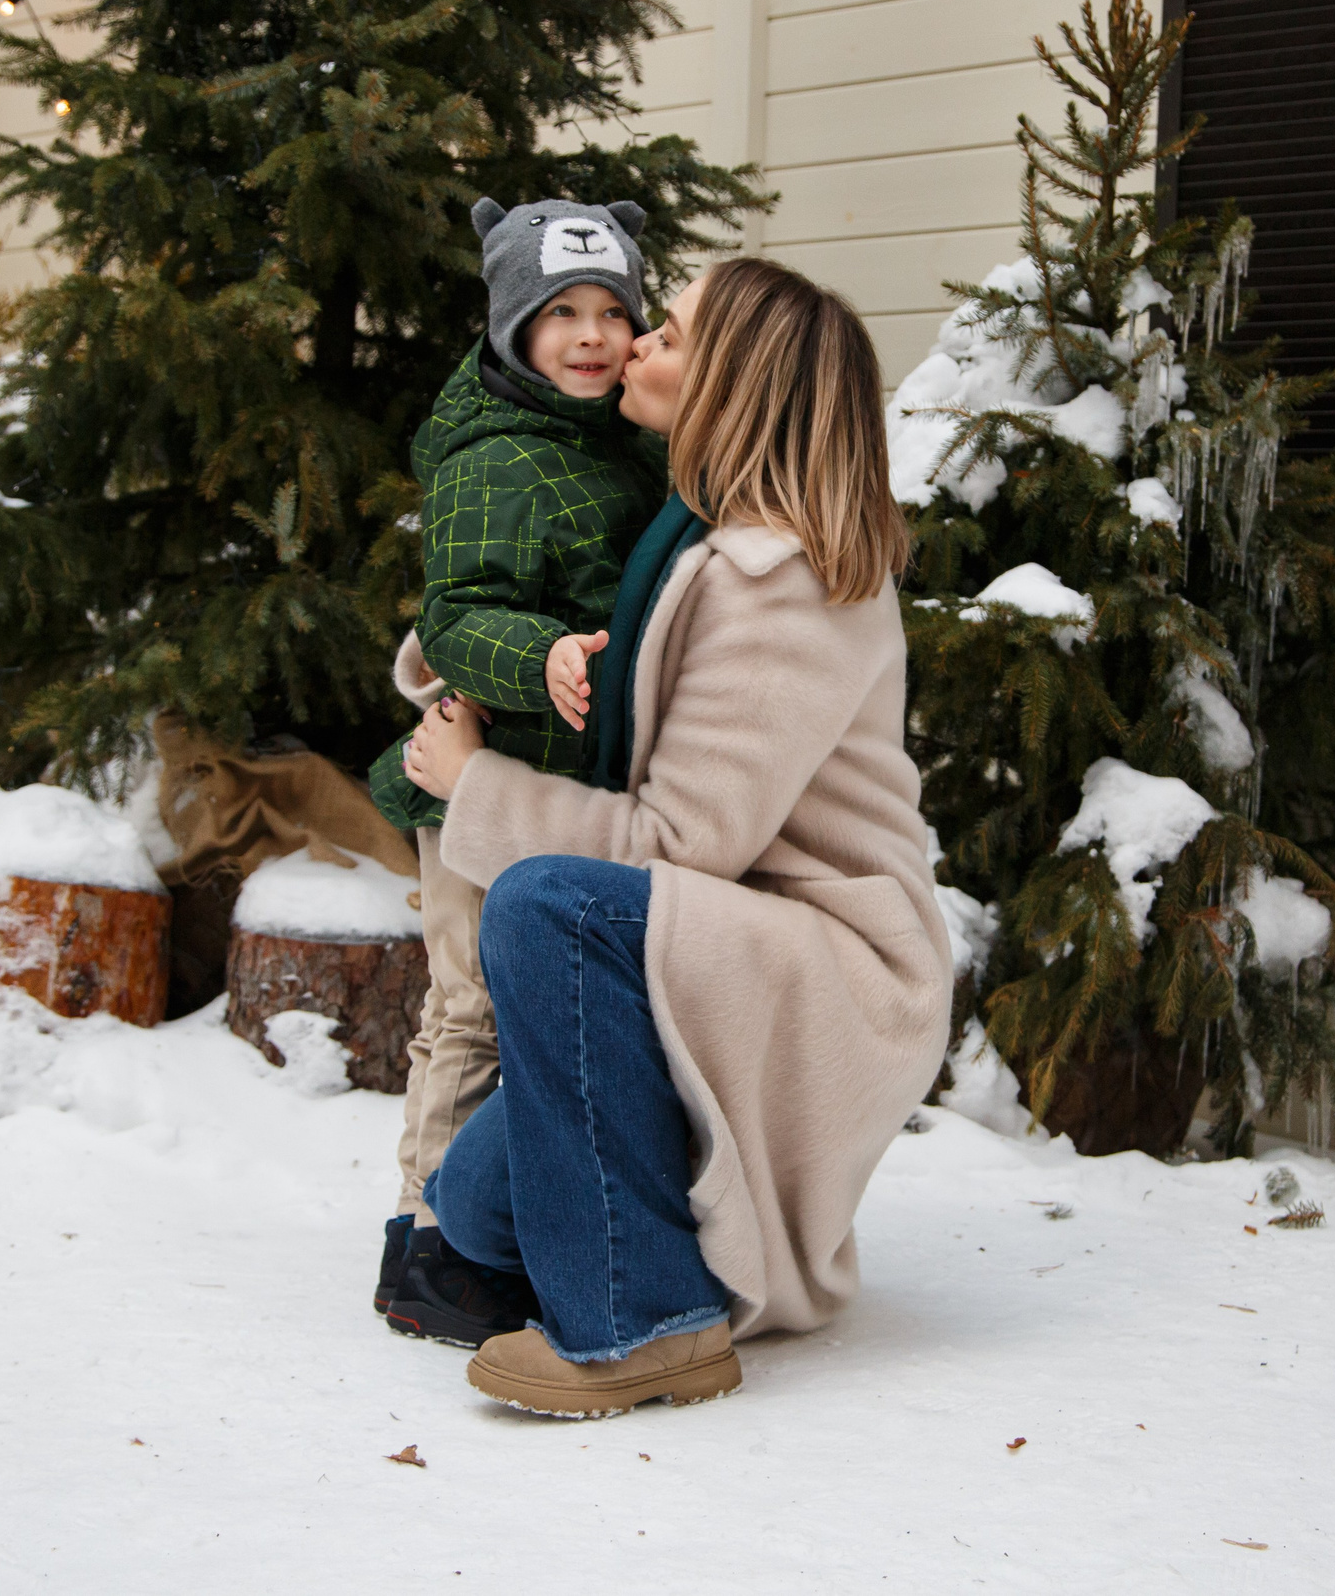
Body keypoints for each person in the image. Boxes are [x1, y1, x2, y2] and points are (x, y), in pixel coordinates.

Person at [401, 257, 953, 1417]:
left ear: (732, 384)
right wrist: (464, 660)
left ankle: (643, 1320)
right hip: (722, 937)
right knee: (476, 1208)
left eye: (671, 333)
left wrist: (473, 787)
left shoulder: (783, 582)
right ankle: (656, 1234)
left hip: (824, 957)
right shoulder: (695, 537)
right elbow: (601, 663)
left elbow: (680, 842)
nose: (637, 342)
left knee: (547, 904)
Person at [365, 197, 672, 1346]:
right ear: (511, 326)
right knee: (473, 1004)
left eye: (612, 311)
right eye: (561, 313)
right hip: (477, 776)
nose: (591, 335)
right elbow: (456, 614)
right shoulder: (494, 459)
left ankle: (506, 1218)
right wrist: (537, 657)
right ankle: (425, 1240)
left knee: (541, 1002)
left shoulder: (621, 441)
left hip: (559, 789)